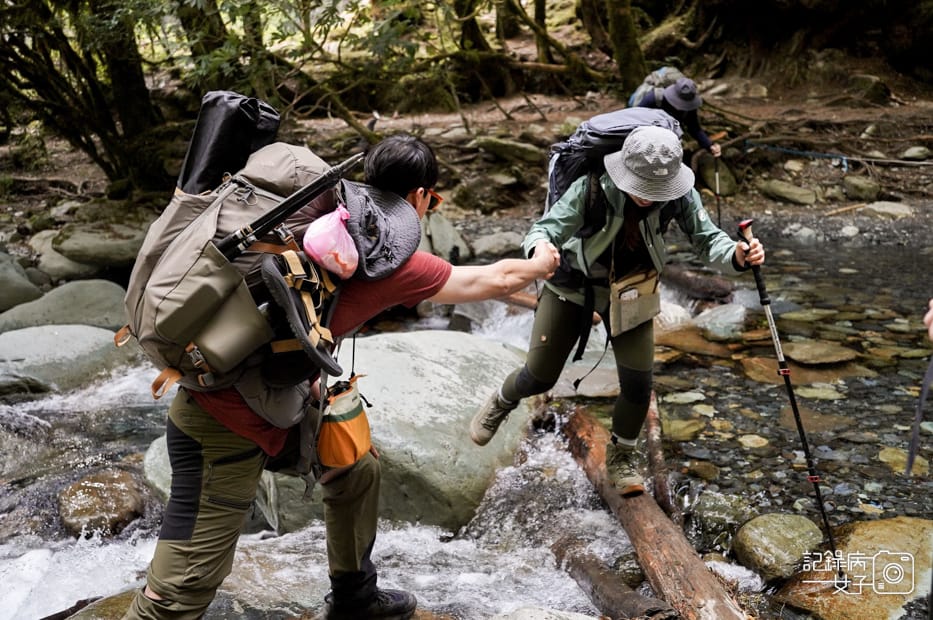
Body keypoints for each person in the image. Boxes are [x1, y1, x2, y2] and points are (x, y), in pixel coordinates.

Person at [124, 133, 560, 620]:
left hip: (270, 402)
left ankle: (355, 598)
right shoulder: (390, 261)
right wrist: (543, 262)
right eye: (431, 200)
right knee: (179, 592)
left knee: (354, 466)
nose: (428, 208)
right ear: (419, 196)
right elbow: (490, 280)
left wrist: (549, 300)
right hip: (220, 428)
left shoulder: (327, 225)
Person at [468, 125, 764, 496]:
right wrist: (542, 250)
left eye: (656, 190)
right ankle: (502, 399)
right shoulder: (591, 188)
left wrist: (738, 254)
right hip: (572, 288)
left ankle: (622, 456)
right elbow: (543, 229)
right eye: (640, 187)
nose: (647, 197)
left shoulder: (680, 193)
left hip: (633, 289)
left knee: (638, 385)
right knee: (540, 376)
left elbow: (707, 238)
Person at [632, 75, 722, 158]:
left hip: (671, 143)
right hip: (646, 138)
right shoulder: (654, 99)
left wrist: (710, 145)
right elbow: (635, 120)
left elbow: (694, 128)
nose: (681, 107)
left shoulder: (690, 108)